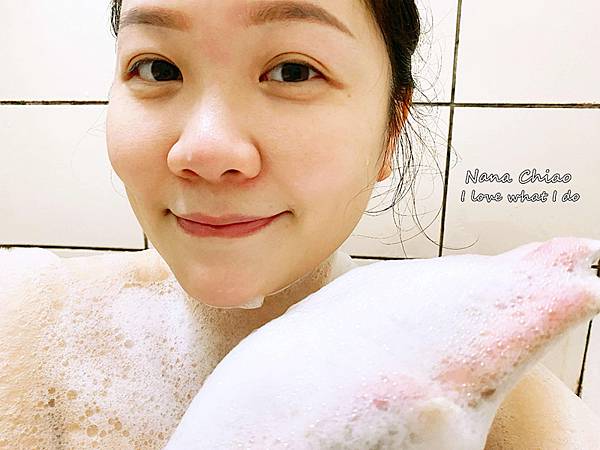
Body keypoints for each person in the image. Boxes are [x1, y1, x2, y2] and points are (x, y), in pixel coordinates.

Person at [1, 0, 599, 448]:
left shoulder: (514, 416)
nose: (205, 150)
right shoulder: (24, 328)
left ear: (392, 128)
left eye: (292, 71)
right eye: (157, 68)